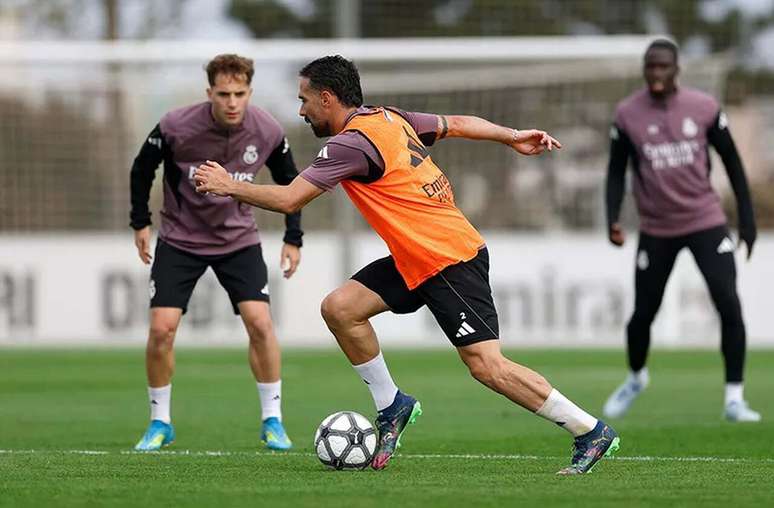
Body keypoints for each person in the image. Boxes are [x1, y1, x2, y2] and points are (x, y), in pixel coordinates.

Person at [194, 55, 620, 474]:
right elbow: (457, 123)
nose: (301, 110)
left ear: (327, 98)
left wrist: (229, 186)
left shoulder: (350, 144)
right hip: (416, 257)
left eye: (304, 99)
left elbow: (290, 198)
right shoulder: (388, 117)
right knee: (340, 309)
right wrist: (510, 136)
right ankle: (392, 406)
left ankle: (589, 431)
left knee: (487, 366)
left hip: (448, 258)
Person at [129, 54, 302, 451]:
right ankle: (160, 422)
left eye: (240, 93)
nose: (232, 102)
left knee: (260, 324)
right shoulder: (175, 126)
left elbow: (291, 183)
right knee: (161, 329)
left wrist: (294, 236)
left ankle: (272, 420)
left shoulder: (268, 130)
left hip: (238, 240)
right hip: (180, 239)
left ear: (250, 93)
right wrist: (140, 222)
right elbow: (142, 169)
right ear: (209, 93)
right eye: (223, 94)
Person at [603, 39, 759, 422]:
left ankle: (734, 399)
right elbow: (615, 171)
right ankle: (636, 377)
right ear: (644, 69)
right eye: (650, 67)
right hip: (656, 228)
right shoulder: (627, 114)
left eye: (663, 67)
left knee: (728, 301)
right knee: (643, 313)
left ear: (676, 69)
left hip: (706, 221)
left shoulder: (704, 108)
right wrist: (613, 219)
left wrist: (747, 219)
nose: (656, 73)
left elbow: (734, 163)